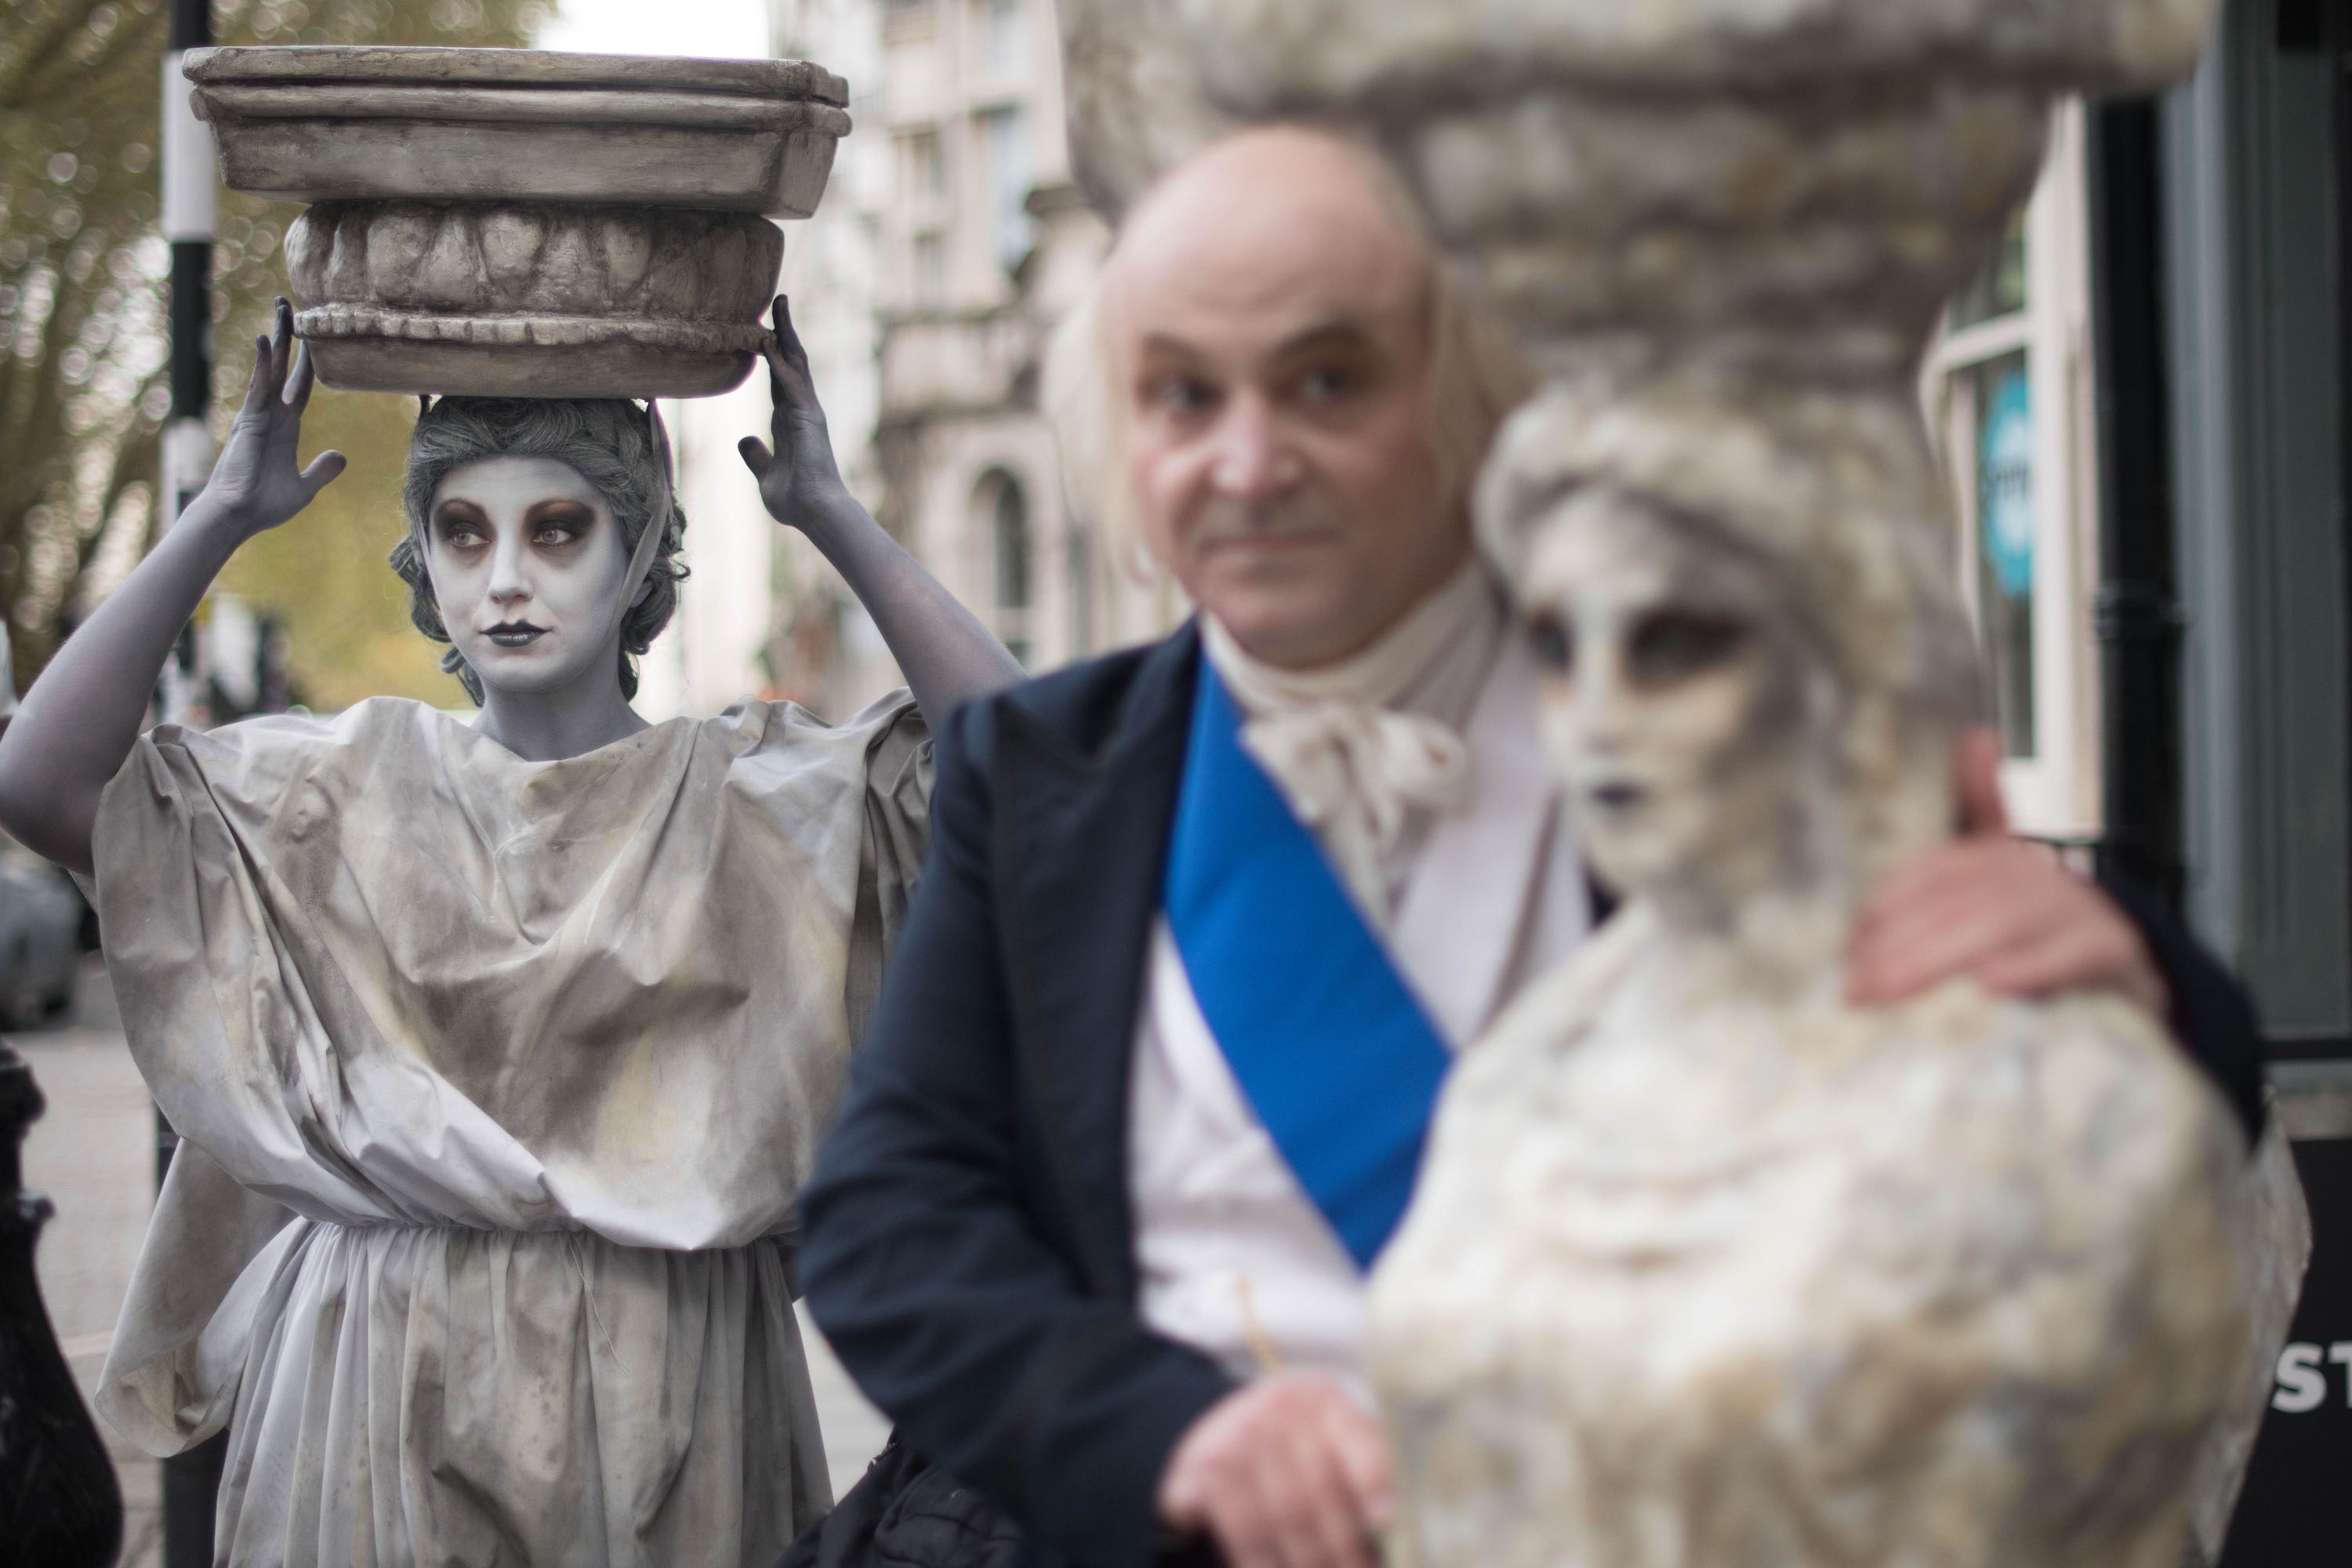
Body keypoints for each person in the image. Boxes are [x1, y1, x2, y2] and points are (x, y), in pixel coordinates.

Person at [794, 128, 2265, 1568]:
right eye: (1184, 396)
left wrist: (2125, 985)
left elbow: (2137, 1090)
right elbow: (888, 1221)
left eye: (1326, 379)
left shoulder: (1700, 697)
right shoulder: (1045, 773)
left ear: (1468, 397)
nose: (1247, 463)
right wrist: (1166, 1433)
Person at [0, 296, 1022, 1568]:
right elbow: (43, 786)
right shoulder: (335, 787)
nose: (505, 581)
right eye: (461, 532)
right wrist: (218, 516)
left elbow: (1035, 777)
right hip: (379, 1380)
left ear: (639, 546)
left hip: (675, 1387)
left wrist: (832, 512)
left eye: (559, 530)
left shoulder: (759, 795)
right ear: (423, 557)